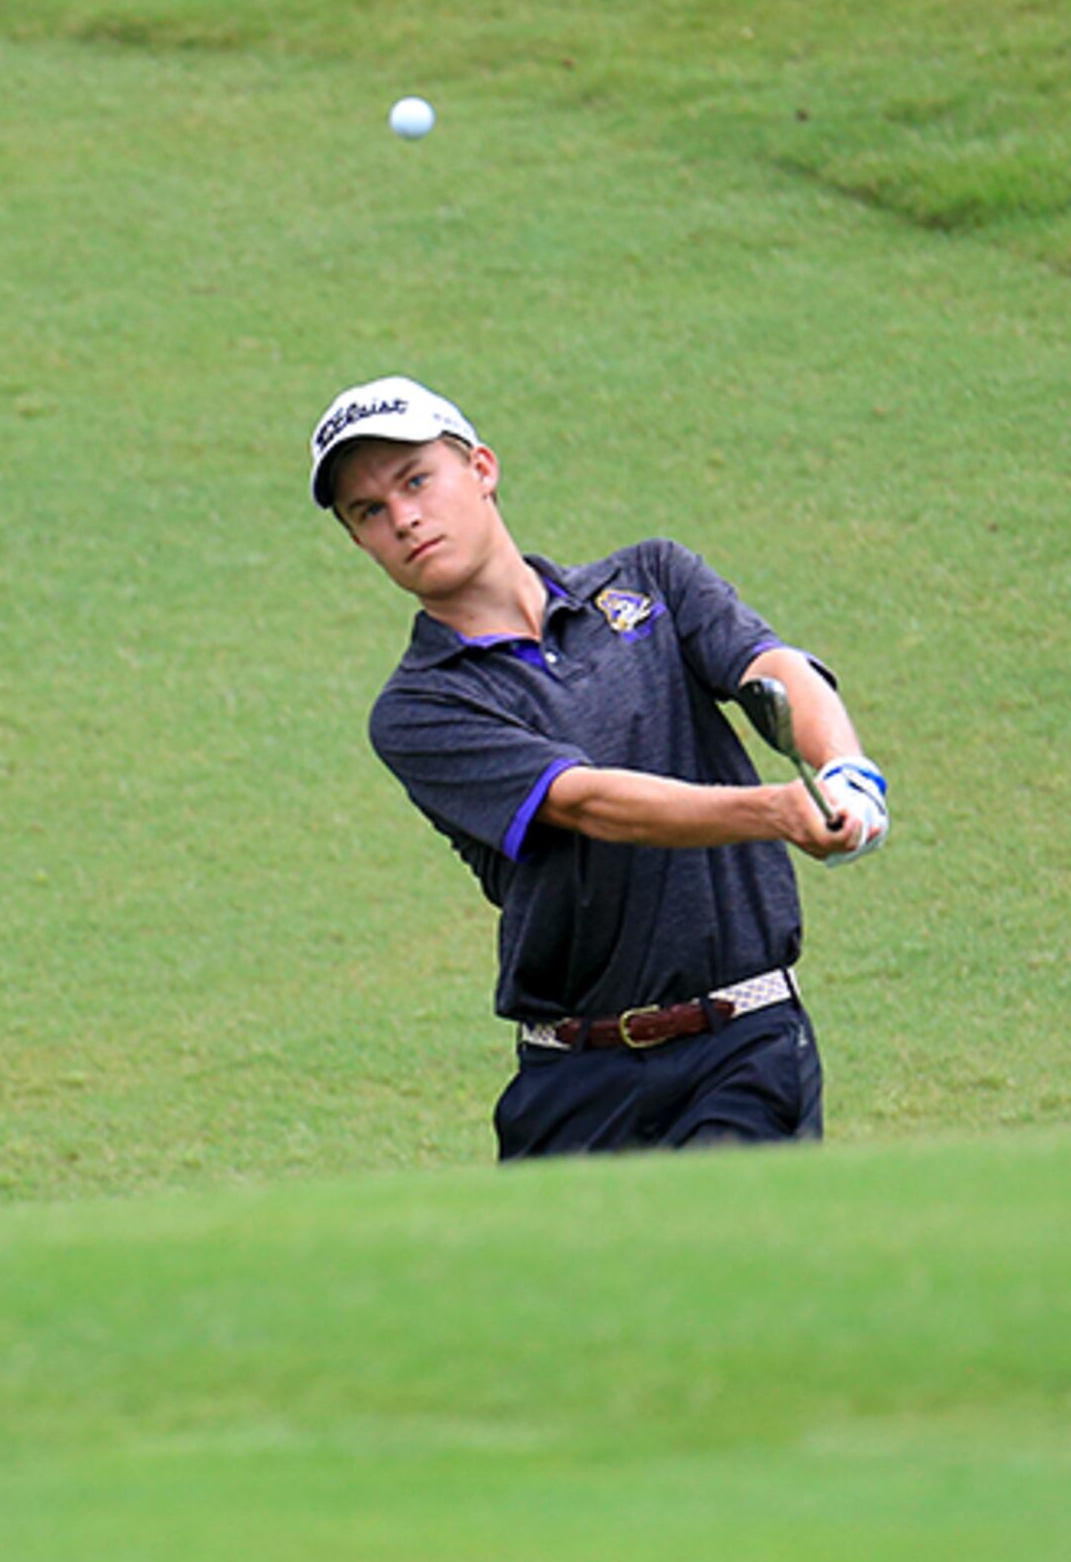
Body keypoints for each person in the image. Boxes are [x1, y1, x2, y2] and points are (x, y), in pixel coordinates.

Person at [307, 375, 890, 1159]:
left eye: (416, 480)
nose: (404, 518)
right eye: (368, 511)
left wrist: (848, 773)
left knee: (729, 1262)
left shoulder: (652, 580)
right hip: (572, 1080)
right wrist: (775, 811)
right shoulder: (419, 708)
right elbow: (587, 802)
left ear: (481, 468)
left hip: (741, 1045)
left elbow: (772, 670)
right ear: (357, 539)